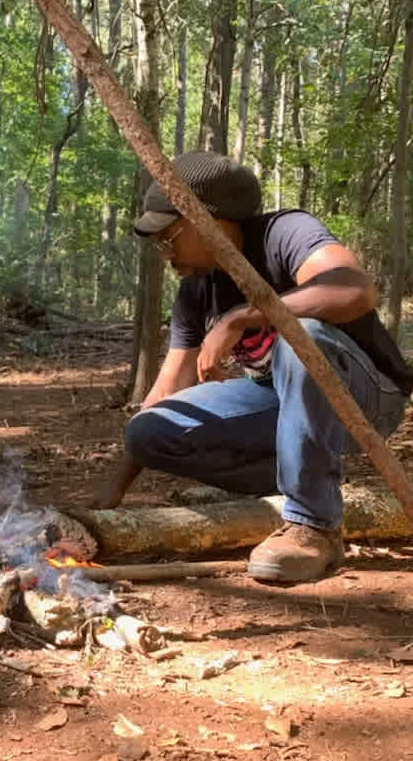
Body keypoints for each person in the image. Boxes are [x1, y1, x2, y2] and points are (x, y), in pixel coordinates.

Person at [95, 150, 413, 582]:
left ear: (212, 220)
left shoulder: (284, 232)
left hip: (369, 395)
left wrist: (245, 315)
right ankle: (292, 484)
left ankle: (314, 525)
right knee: (149, 430)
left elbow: (353, 288)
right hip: (282, 401)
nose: (164, 252)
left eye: (168, 236)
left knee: (302, 335)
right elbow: (165, 393)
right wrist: (113, 491)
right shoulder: (196, 289)